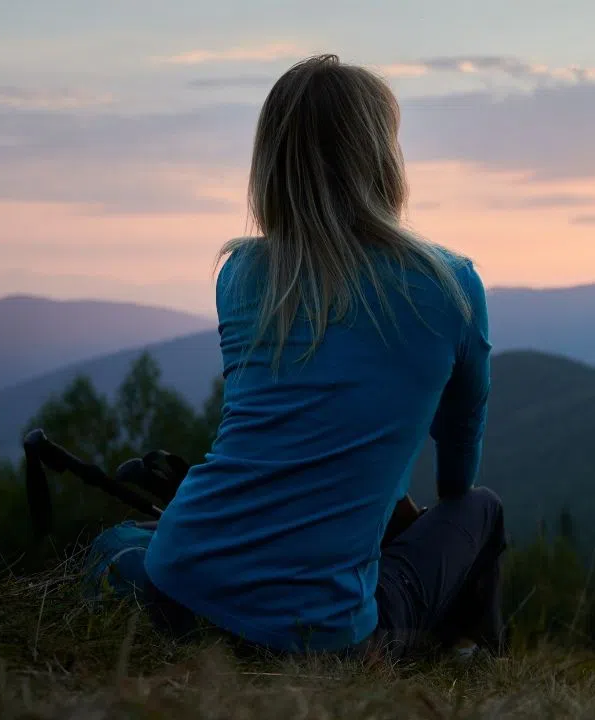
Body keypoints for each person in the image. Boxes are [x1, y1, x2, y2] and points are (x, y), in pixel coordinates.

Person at [107, 53, 506, 659]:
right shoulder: (451, 286)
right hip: (321, 636)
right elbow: (456, 472)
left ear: (272, 162)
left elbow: (284, 423)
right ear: (381, 160)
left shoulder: (241, 274)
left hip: (178, 588)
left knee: (117, 543)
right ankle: (469, 657)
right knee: (480, 509)